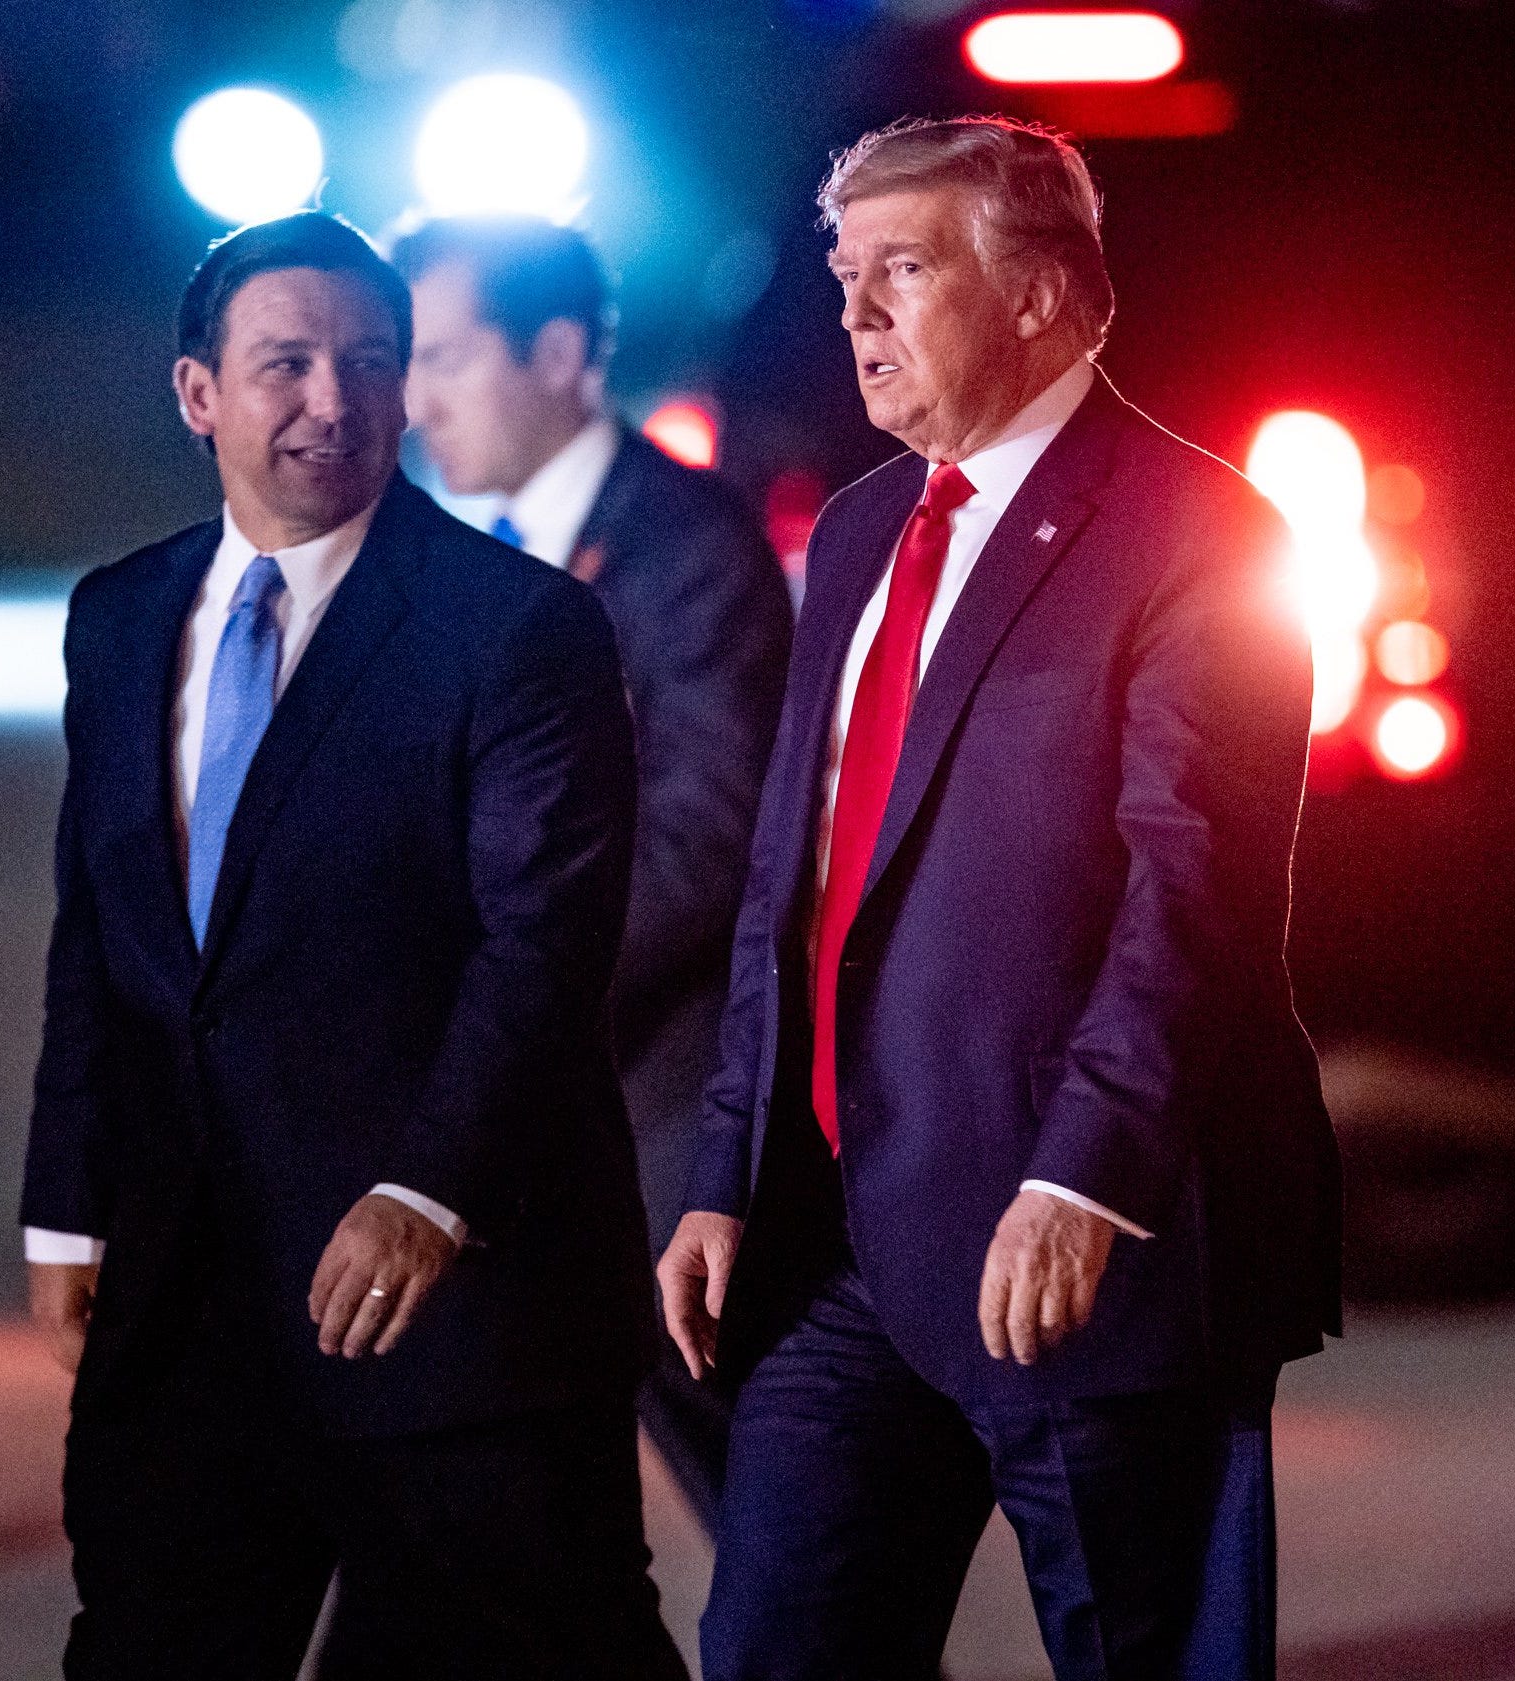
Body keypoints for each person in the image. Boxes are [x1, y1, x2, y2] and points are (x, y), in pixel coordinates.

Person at [658, 117, 1343, 1679]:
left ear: (1038, 296)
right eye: (843, 278)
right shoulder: (851, 535)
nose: (854, 318)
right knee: (773, 1645)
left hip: (1083, 1247)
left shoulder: (1202, 533)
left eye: (900, 271)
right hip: (839, 1243)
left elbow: (1196, 891)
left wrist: (1083, 1178)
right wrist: (725, 1168)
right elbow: (794, 877)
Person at [20, 210, 687, 1681]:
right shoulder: (121, 620)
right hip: (189, 1307)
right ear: (197, 393)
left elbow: (541, 940)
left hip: (453, 1320)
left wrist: (426, 1187)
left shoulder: (517, 627)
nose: (335, 398)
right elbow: (103, 934)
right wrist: (66, 1205)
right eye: (288, 363)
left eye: (370, 362)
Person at [393, 216, 792, 1521]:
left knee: (774, 1522)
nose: (414, 396)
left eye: (444, 354)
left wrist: (510, 998)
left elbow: (707, 829)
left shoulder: (685, 546)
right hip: (520, 1112)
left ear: (559, 352)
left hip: (657, 1109)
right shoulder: (459, 563)